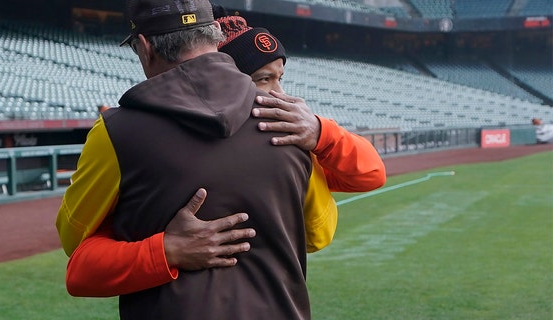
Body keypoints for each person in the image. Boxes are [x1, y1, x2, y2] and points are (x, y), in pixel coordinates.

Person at [61, 7, 387, 302]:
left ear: (144, 48)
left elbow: (77, 248)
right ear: (215, 42)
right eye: (265, 79)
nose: (279, 93)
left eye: (279, 78)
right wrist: (320, 134)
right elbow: (319, 234)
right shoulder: (292, 131)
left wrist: (160, 247)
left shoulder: (118, 131)